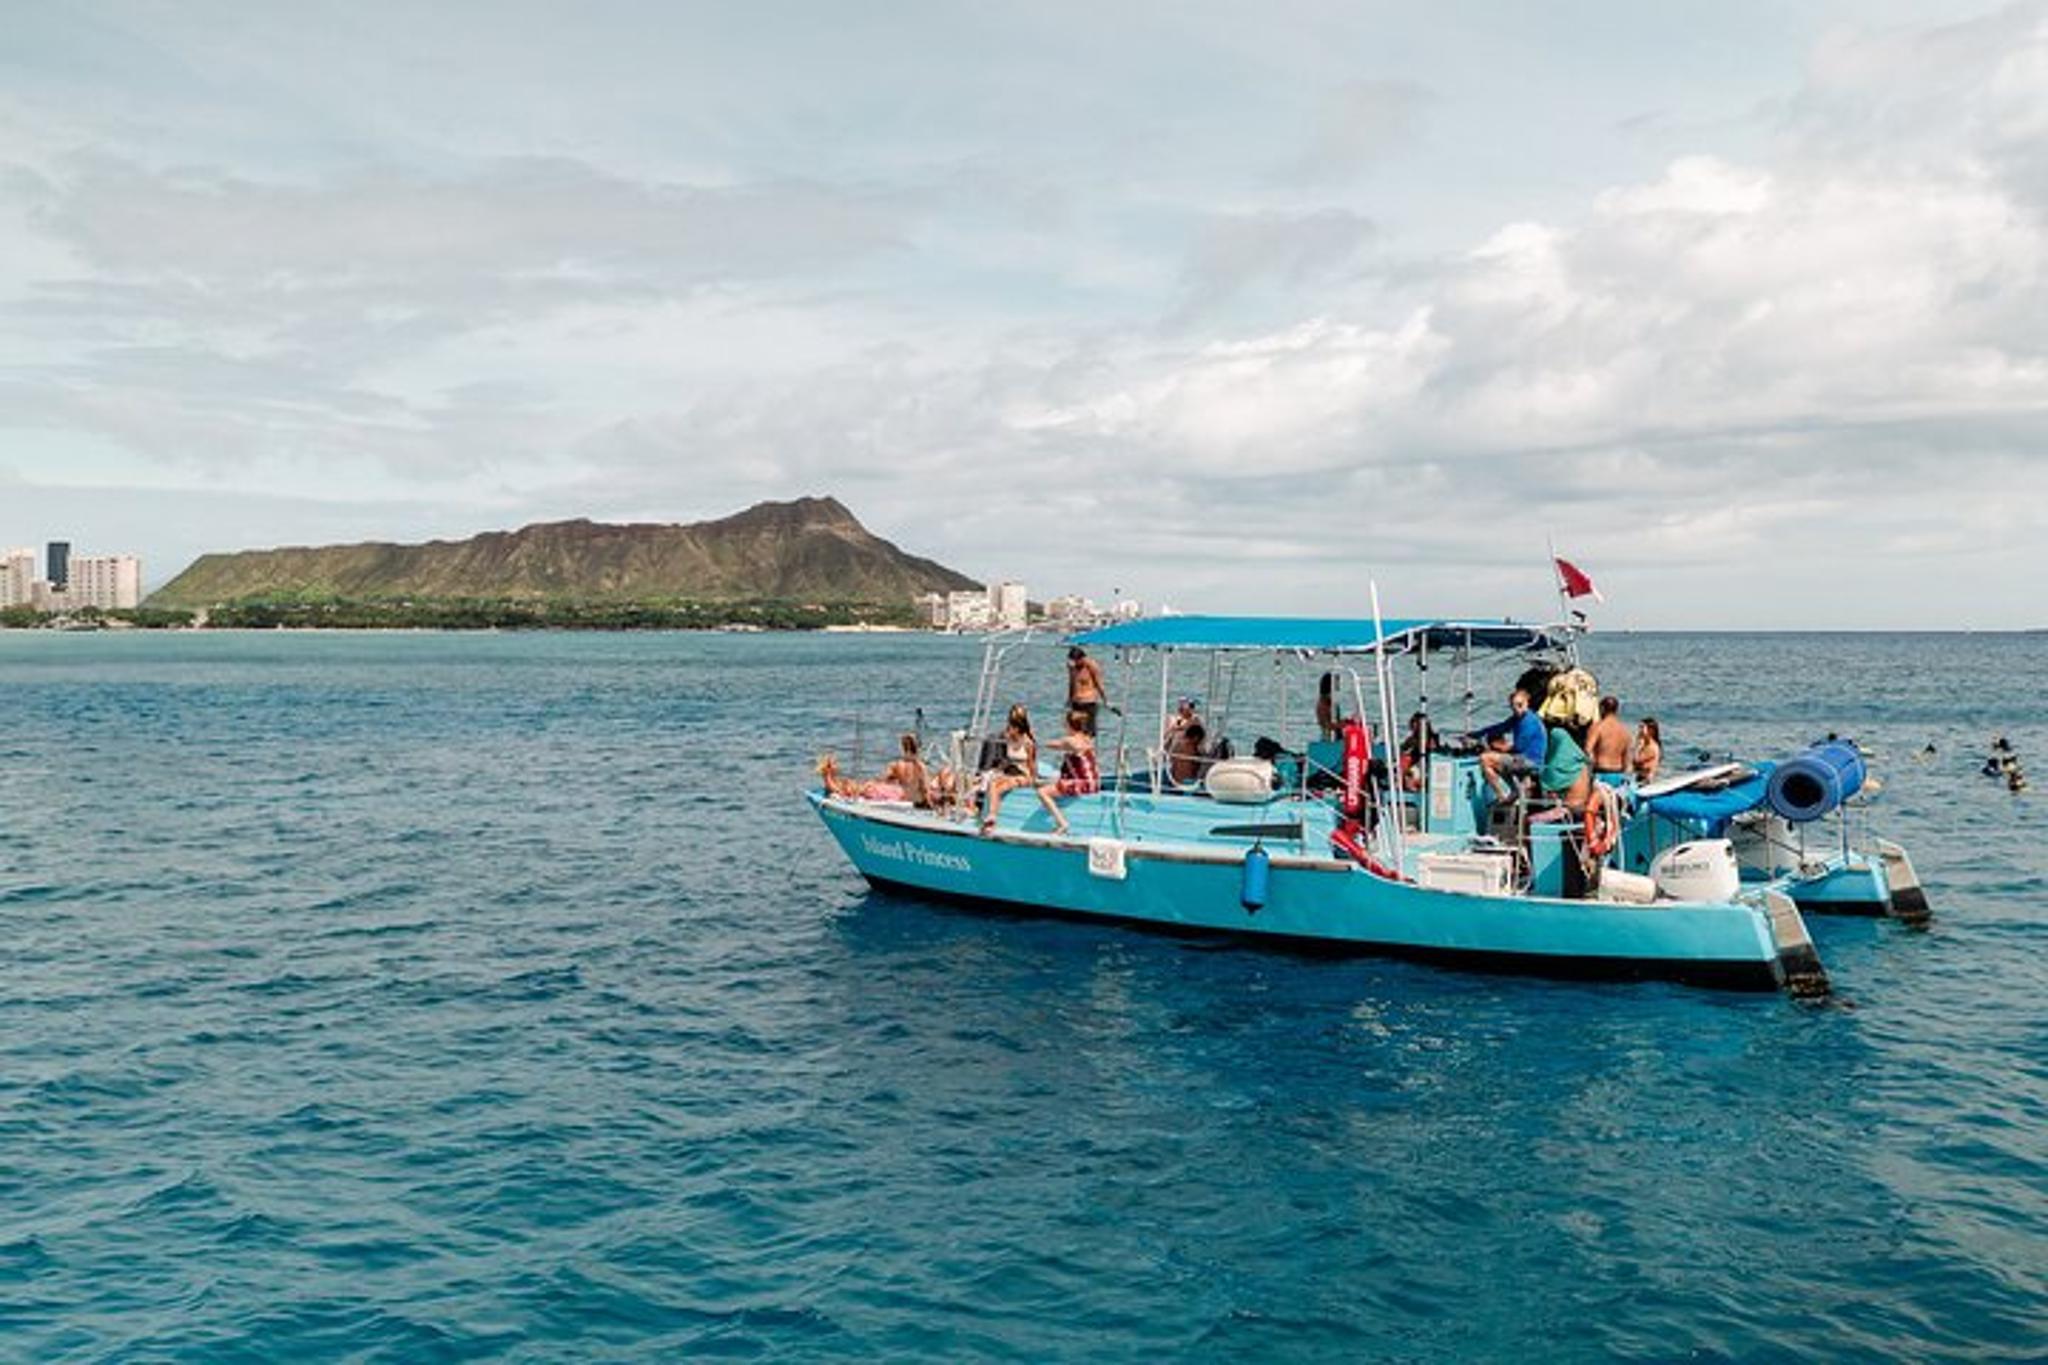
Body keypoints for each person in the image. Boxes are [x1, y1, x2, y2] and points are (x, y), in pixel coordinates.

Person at [1034, 708, 1101, 835]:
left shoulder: (1070, 740)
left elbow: (1055, 744)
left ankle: (1062, 823)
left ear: (1070, 725)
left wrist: (1036, 744)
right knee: (1046, 781)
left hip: (1082, 783)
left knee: (1042, 792)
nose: (1063, 725)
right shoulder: (1087, 738)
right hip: (1093, 782)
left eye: (1065, 723)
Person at [1474, 687, 1547, 802]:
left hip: (1529, 761)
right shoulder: (1517, 718)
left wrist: (1498, 748)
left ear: (1527, 703)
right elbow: (1499, 728)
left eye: (1519, 705)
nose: (1516, 709)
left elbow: (1519, 747)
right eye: (1513, 706)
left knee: (1485, 759)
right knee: (1497, 761)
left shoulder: (1529, 721)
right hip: (1523, 759)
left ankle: (1502, 796)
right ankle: (1515, 790)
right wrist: (1475, 734)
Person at [818, 733, 929, 804]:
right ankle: (831, 778)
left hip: (902, 796)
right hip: (910, 798)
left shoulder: (897, 765)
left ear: (903, 747)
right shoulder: (921, 766)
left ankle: (829, 778)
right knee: (867, 787)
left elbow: (884, 779)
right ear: (917, 748)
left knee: (866, 787)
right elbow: (925, 789)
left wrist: (876, 782)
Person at [980, 705, 1038, 833]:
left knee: (1001, 787)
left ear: (1018, 728)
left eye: (1011, 727)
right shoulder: (1008, 739)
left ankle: (992, 816)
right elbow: (1008, 761)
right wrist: (997, 770)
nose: (1008, 729)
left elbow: (1032, 764)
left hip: (1024, 775)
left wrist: (1034, 781)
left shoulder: (1028, 743)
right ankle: (991, 817)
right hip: (1011, 772)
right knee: (993, 783)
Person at [1066, 647, 1109, 736]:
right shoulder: (1073, 667)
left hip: (1089, 702)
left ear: (1082, 658)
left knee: (1088, 732)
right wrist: (1069, 699)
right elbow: (1072, 683)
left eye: (1076, 660)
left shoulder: (1091, 666)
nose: (1074, 662)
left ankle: (1088, 749)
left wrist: (1105, 700)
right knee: (1075, 731)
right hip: (1076, 702)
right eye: (1073, 660)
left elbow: (1099, 684)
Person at [1585, 696, 1631, 778]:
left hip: (1601, 772)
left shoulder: (1598, 727)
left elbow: (1588, 750)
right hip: (1618, 774)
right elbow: (1626, 760)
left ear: (1602, 709)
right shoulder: (1624, 731)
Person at [1399, 711, 1434, 793]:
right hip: (1413, 765)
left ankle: (1411, 786)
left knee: (1410, 771)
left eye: (1415, 723)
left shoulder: (1430, 740)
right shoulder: (1411, 739)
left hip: (1423, 767)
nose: (1413, 726)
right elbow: (1403, 750)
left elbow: (1430, 757)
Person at [1633, 717, 1663, 783]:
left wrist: (1638, 746)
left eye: (1642, 727)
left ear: (1650, 730)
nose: (1639, 730)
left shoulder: (1652, 747)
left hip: (1646, 781)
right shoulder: (1647, 745)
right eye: (1639, 727)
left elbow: (1636, 760)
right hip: (1642, 778)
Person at [1316, 672, 1343, 741]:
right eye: (1337, 683)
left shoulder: (1331, 701)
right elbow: (1326, 724)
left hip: (1336, 736)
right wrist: (1343, 725)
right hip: (1328, 738)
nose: (1339, 685)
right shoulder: (1323, 703)